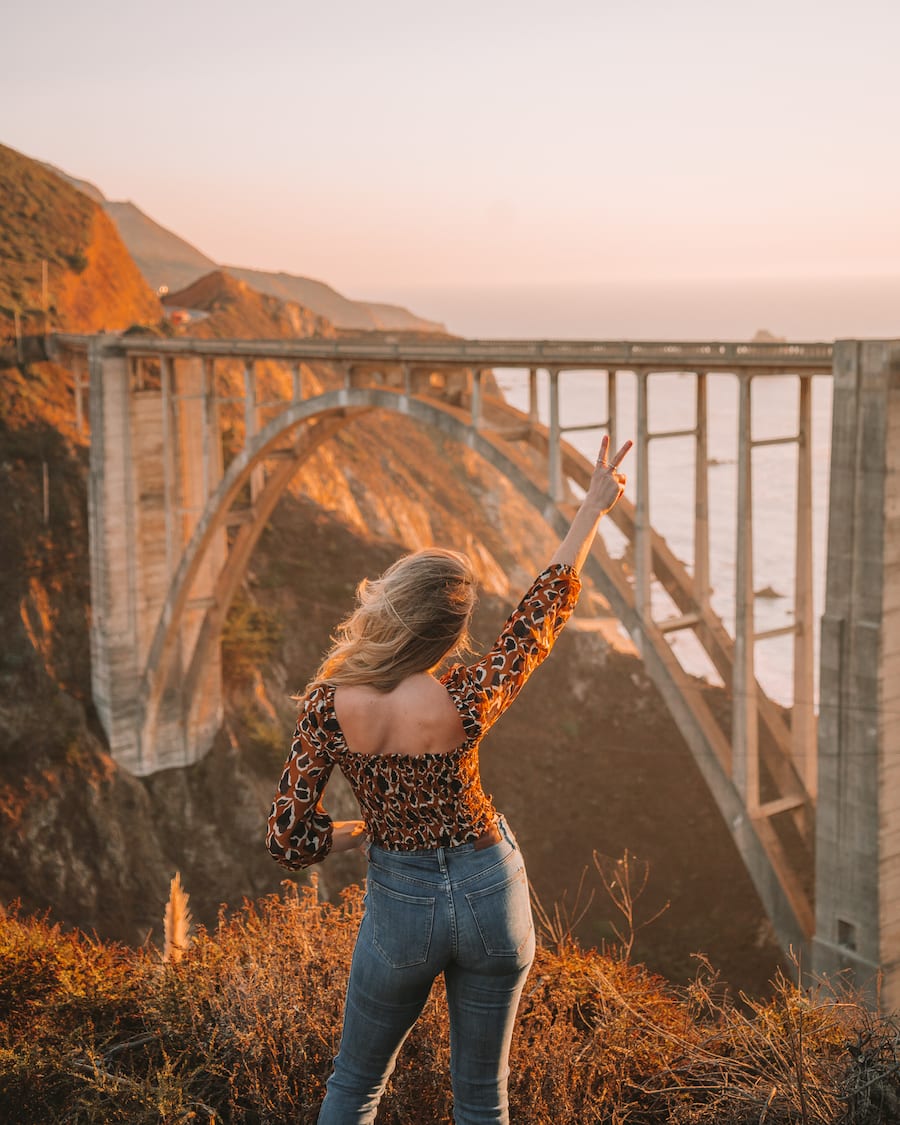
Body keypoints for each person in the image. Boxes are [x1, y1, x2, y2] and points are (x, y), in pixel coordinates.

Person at [266, 435, 632, 1125]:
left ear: (388, 609)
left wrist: (356, 833)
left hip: (402, 906)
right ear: (446, 634)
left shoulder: (327, 706)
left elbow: (286, 835)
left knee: (354, 1087)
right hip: (492, 888)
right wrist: (590, 509)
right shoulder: (467, 696)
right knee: (482, 1101)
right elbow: (539, 617)